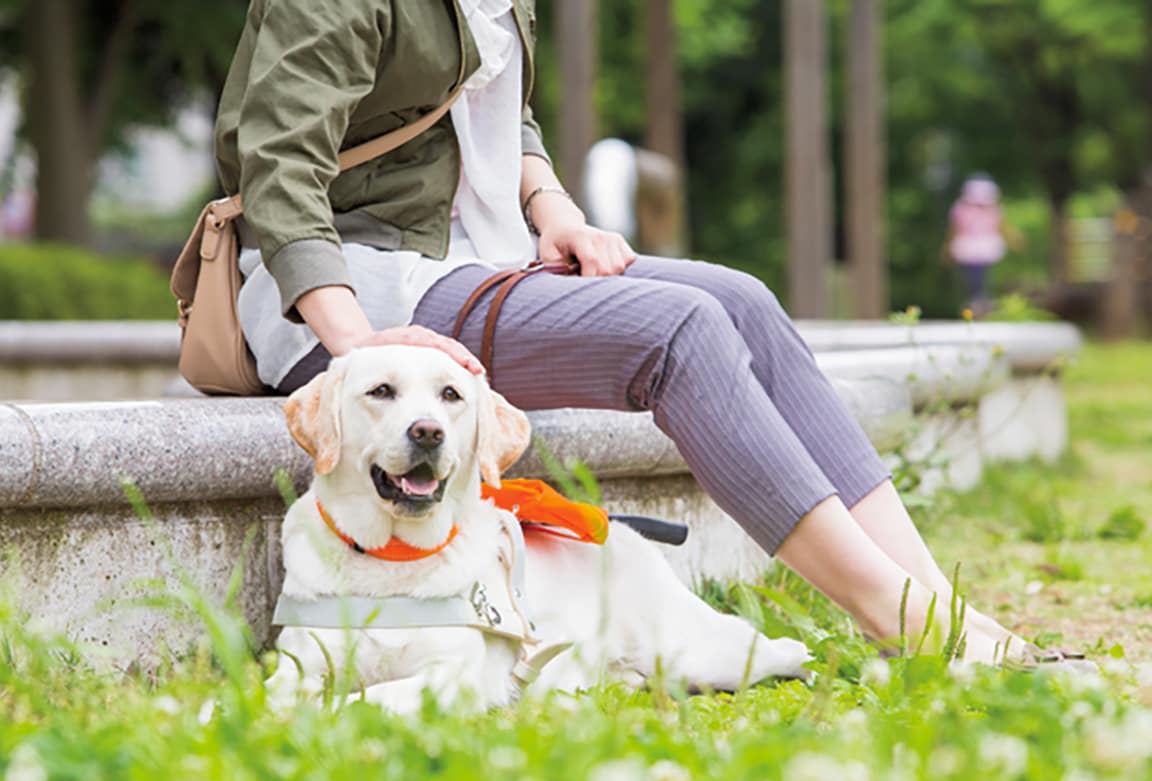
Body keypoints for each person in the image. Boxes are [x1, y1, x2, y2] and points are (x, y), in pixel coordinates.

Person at [214, 0, 1079, 670]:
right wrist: (364, 347)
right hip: (359, 292)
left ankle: (937, 600)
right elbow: (278, 166)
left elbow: (495, 114)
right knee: (680, 331)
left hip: (482, 261)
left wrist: (554, 211)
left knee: (742, 301)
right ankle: (900, 617)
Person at [945, 175, 1008, 316]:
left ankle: (981, 301)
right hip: (968, 247)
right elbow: (955, 228)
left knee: (982, 276)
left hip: (984, 246)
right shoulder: (962, 209)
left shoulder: (992, 209)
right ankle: (977, 301)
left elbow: (1001, 227)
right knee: (973, 277)